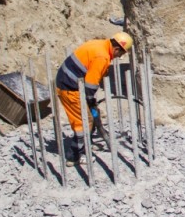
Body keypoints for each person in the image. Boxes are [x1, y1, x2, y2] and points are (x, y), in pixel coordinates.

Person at [55, 32, 133, 166]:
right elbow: (90, 85)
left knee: (90, 115)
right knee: (85, 122)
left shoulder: (100, 44)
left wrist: (91, 103)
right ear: (116, 49)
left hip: (69, 82)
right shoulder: (102, 57)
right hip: (69, 89)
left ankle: (85, 144)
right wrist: (91, 102)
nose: (119, 57)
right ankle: (74, 156)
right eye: (120, 54)